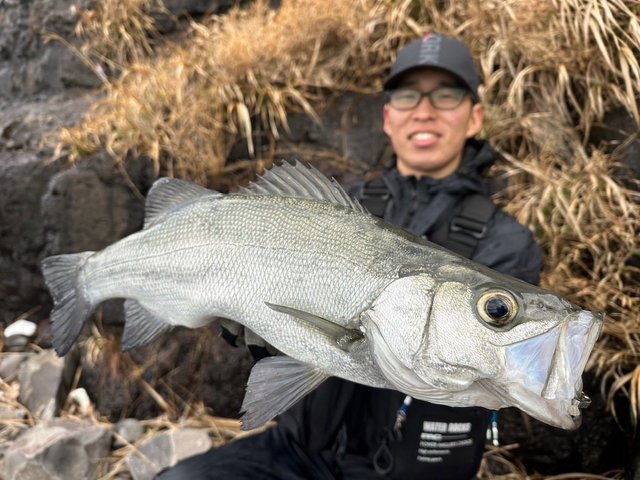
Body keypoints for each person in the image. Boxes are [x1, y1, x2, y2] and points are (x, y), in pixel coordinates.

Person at [157, 33, 542, 480]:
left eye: (447, 95)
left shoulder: (507, 242)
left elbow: (497, 368)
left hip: (409, 469)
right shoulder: (334, 206)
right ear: (387, 117)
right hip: (296, 452)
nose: (424, 109)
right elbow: (277, 320)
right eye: (407, 95)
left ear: (475, 117)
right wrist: (251, 330)